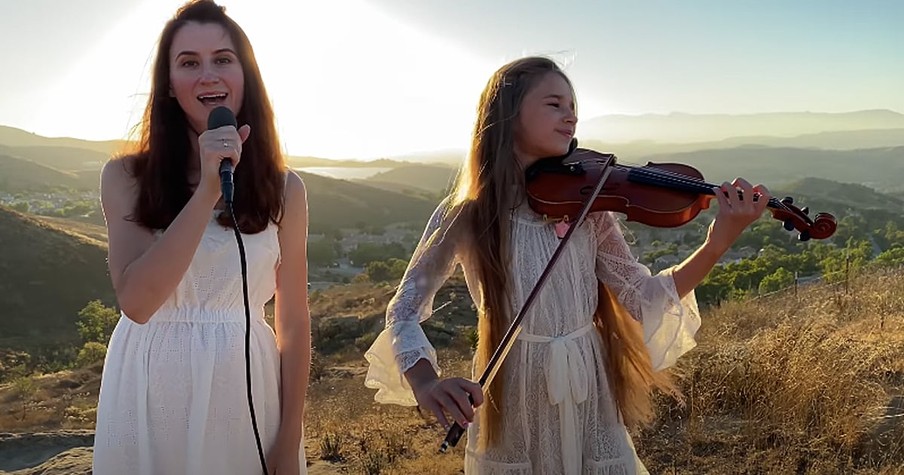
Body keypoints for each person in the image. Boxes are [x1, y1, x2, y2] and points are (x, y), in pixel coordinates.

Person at [363, 56, 770, 474]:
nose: (571, 116)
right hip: (513, 392)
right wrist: (427, 381)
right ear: (508, 115)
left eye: (574, 107)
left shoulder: (588, 207)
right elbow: (404, 309)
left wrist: (718, 242)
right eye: (555, 104)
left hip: (588, 383)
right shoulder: (468, 213)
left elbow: (642, 295)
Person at [92, 1, 310, 474]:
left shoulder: (285, 188)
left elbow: (293, 319)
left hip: (245, 387)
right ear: (169, 85)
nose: (207, 74)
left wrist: (289, 436)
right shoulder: (125, 177)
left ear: (245, 74)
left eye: (223, 59)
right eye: (189, 62)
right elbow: (137, 301)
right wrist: (209, 191)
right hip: (149, 386)